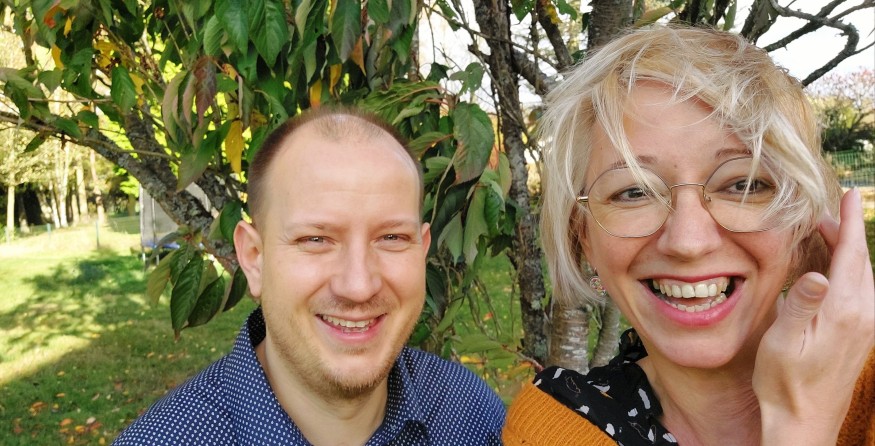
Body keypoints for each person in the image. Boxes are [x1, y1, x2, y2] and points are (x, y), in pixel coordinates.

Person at [503, 26, 874, 445]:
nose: (688, 242)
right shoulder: (554, 431)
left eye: (743, 185)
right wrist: (801, 425)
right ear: (584, 237)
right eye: (634, 192)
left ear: (803, 219)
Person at [115, 107, 506, 445]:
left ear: (421, 251)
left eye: (391, 238)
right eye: (315, 239)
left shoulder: (472, 415)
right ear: (254, 259)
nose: (358, 285)